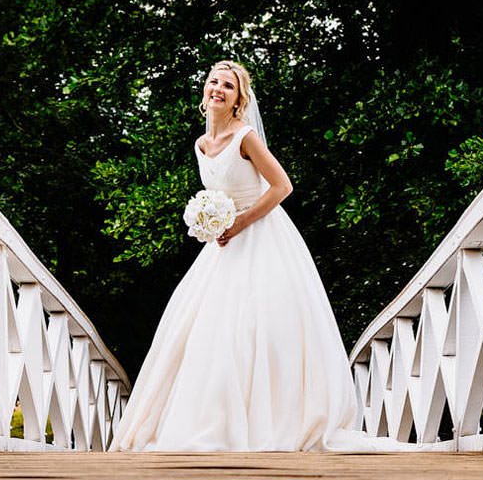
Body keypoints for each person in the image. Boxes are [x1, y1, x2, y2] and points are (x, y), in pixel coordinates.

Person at [109, 60, 372, 452]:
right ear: (205, 90)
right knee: (206, 332)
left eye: (228, 86)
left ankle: (270, 421)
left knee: (257, 329)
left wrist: (241, 221)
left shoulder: (245, 137)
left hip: (262, 236)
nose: (218, 89)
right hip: (222, 248)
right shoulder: (200, 144)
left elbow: (282, 185)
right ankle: (209, 419)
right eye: (213, 82)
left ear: (238, 99)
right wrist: (209, 221)